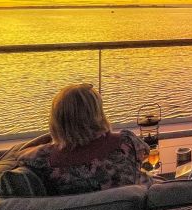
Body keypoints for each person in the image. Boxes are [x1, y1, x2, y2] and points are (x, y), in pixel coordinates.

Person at [18, 83, 151, 195]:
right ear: (98, 114)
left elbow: (16, 156)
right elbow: (145, 153)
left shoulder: (41, 160)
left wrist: (52, 140)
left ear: (57, 119)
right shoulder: (126, 142)